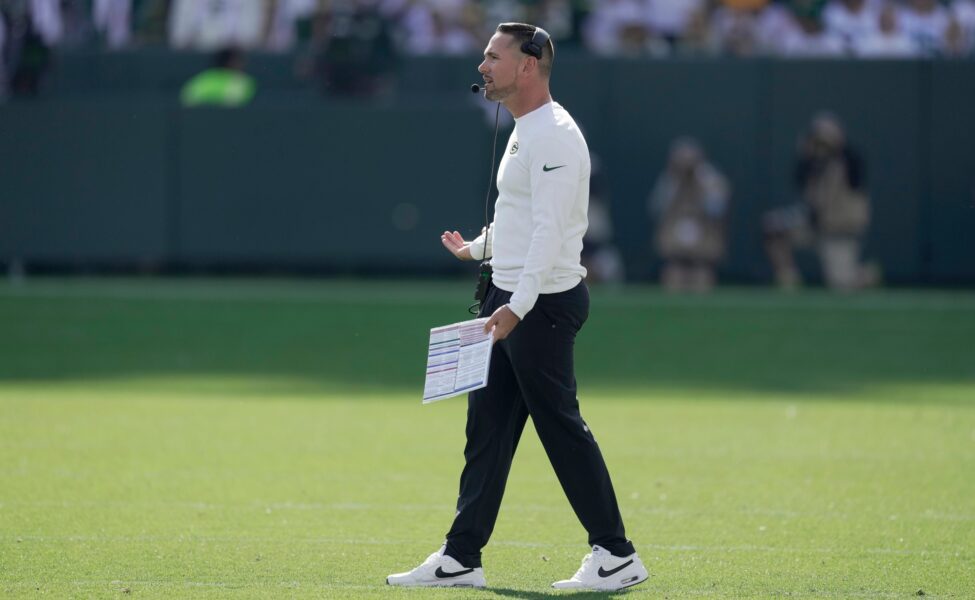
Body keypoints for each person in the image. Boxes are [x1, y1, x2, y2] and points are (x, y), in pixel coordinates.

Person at [386, 22, 648, 592]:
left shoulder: (553, 132)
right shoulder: (526, 128)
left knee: (560, 429)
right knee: (487, 432)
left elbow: (551, 231)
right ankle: (461, 558)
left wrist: (518, 306)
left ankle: (616, 554)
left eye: (492, 57)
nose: (482, 66)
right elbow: (519, 215)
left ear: (527, 66)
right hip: (510, 298)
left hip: (540, 306)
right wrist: (478, 247)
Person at [763, 112, 879, 290]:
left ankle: (866, 274)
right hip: (815, 228)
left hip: (840, 232)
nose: (821, 146)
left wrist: (832, 141)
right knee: (773, 228)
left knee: (842, 285)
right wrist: (807, 152)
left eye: (824, 142)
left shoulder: (849, 162)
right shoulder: (813, 166)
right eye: (818, 141)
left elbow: (852, 167)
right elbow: (801, 182)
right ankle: (788, 279)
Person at [649, 138, 730, 293]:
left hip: (704, 232)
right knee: (674, 273)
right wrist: (678, 184)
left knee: (702, 273)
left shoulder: (710, 179)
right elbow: (657, 208)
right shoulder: (669, 180)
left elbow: (716, 210)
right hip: (675, 233)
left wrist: (700, 186)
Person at [180, 47, 256, 108]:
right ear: (230, 62)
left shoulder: (201, 78)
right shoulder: (242, 81)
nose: (242, 64)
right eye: (238, 61)